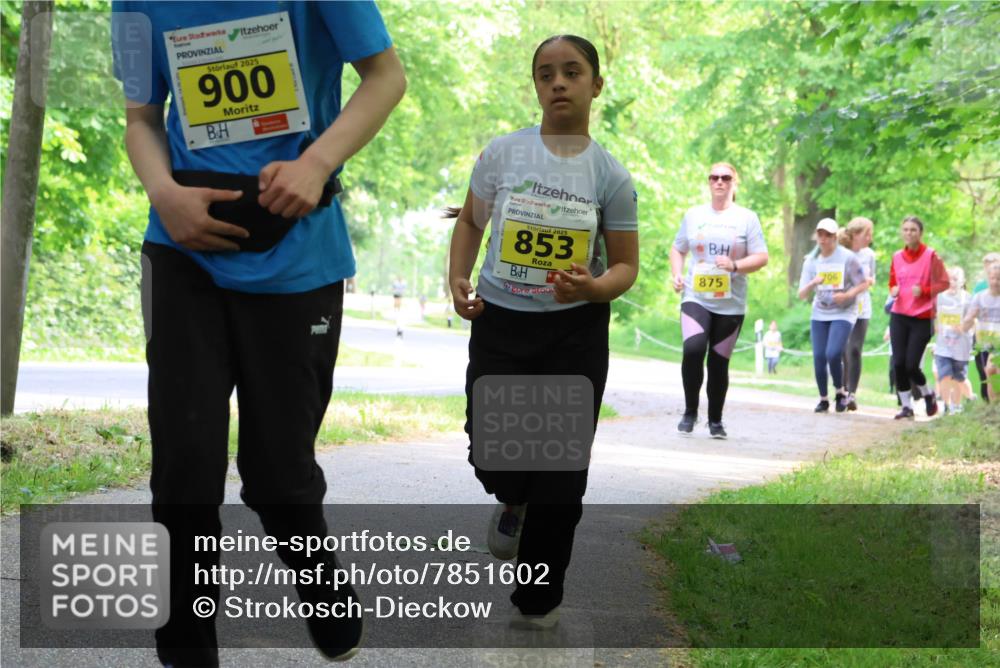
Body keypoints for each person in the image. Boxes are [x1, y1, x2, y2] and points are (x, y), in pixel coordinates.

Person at [112, 3, 406, 665]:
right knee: (184, 465)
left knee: (277, 475)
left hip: (298, 253)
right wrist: (162, 192)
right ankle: (187, 650)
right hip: (182, 244)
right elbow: (140, 119)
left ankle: (322, 586)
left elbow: (386, 76)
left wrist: (317, 162)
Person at [447, 35, 639, 628]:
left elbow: (627, 266)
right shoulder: (503, 154)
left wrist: (593, 287)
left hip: (573, 333)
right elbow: (471, 224)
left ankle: (539, 599)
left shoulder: (611, 176)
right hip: (501, 324)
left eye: (572, 72)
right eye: (545, 74)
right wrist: (458, 279)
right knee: (496, 456)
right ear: (535, 86)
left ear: (595, 85)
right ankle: (512, 497)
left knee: (561, 473)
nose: (558, 82)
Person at [669, 162, 768, 438]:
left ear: (735, 182)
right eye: (714, 177)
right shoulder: (694, 215)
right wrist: (677, 274)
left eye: (725, 177)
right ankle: (690, 412)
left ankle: (715, 420)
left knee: (718, 363)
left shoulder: (746, 218)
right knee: (693, 350)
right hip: (696, 297)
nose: (719, 182)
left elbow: (761, 256)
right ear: (709, 182)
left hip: (731, 303)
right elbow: (678, 249)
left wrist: (735, 265)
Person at [798, 218, 869, 413]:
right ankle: (823, 398)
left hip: (844, 311)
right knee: (819, 356)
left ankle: (840, 392)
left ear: (835, 237)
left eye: (828, 235)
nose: (823, 239)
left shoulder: (847, 258)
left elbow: (863, 283)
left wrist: (847, 295)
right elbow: (801, 294)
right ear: (816, 236)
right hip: (820, 312)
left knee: (833, 353)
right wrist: (813, 283)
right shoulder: (811, 261)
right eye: (820, 234)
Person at [888, 216, 949, 419]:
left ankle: (928, 394)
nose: (909, 233)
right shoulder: (896, 256)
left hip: (922, 317)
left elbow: (944, 283)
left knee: (912, 365)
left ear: (920, 233)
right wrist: (893, 290)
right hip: (899, 314)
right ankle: (906, 407)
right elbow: (892, 282)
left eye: (913, 230)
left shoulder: (931, 256)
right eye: (905, 229)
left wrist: (923, 291)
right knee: (898, 363)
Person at [839, 217, 876, 411]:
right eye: (866, 234)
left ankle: (852, 393)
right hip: (844, 306)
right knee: (842, 350)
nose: (870, 237)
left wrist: (867, 280)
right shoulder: (841, 253)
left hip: (862, 306)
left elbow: (873, 279)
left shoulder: (869, 254)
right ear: (855, 234)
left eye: (871, 234)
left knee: (855, 349)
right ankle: (842, 391)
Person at [935, 267, 974, 414]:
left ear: (962, 281)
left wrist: (963, 327)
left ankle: (961, 403)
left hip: (961, 345)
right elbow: (935, 317)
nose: (952, 282)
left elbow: (973, 320)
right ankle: (945, 406)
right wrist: (937, 328)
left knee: (959, 377)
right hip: (943, 345)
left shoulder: (968, 298)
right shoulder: (940, 297)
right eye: (949, 278)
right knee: (944, 375)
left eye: (955, 279)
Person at [963, 262, 1000, 404]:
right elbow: (969, 319)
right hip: (985, 342)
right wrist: (967, 321)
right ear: (988, 279)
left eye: (999, 278)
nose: (995, 282)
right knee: (989, 372)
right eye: (993, 278)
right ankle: (994, 407)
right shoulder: (980, 296)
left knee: (992, 369)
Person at [973, 252, 1000, 400]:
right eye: (987, 266)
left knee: (993, 369)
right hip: (984, 334)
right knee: (986, 371)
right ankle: (991, 406)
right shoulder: (980, 287)